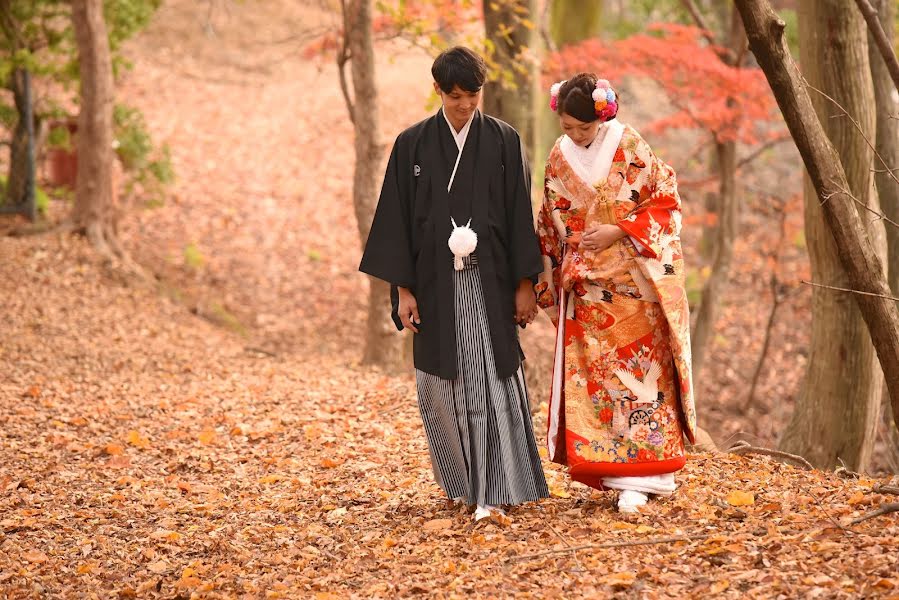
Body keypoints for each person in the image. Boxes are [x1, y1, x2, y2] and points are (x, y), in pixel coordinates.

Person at [359, 46, 549, 521]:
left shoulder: (504, 140)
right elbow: (397, 222)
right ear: (438, 91)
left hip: (491, 280)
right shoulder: (412, 145)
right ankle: (463, 484)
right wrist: (402, 291)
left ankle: (494, 491)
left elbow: (518, 214)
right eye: (456, 96)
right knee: (444, 385)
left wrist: (526, 283)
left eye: (474, 95)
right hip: (433, 283)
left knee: (489, 381)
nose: (466, 105)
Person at [536, 73, 697, 513]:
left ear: (602, 116)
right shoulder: (558, 157)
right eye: (567, 127)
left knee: (644, 378)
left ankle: (651, 471)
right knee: (600, 382)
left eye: (583, 128)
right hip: (588, 289)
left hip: (634, 283)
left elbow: (665, 200)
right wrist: (548, 279)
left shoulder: (630, 146)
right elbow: (550, 222)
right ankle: (616, 471)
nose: (575, 135)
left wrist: (620, 229)